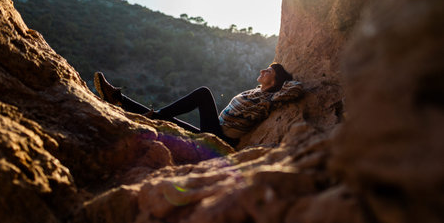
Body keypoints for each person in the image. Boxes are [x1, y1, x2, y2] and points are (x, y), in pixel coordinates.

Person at [94, 63, 303, 147]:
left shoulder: (269, 100)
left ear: (275, 82)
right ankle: (118, 99)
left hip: (219, 138)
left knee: (203, 93)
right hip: (212, 131)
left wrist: (281, 86)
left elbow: (296, 88)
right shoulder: (256, 92)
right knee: (165, 118)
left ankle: (150, 113)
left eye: (269, 71)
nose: (264, 71)